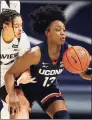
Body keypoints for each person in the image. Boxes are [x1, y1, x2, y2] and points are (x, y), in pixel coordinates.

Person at [4, 5, 92, 119]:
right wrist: (11, 96)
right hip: (25, 89)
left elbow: (83, 72)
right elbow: (10, 74)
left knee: (63, 117)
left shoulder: (70, 52)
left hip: (48, 89)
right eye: (57, 29)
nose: (63, 33)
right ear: (47, 32)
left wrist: (87, 72)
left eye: (64, 30)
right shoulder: (35, 53)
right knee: (19, 117)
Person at [0, 9, 35, 119]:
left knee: (22, 105)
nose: (20, 29)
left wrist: (26, 73)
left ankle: (8, 112)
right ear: (5, 27)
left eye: (21, 25)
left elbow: (25, 64)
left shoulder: (22, 38)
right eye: (16, 26)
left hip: (7, 78)